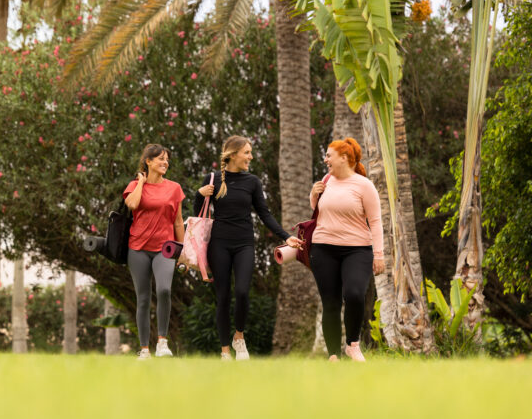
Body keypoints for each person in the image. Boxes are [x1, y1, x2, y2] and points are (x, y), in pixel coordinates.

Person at [195, 136, 302, 360]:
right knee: (223, 297)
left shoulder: (252, 181)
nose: (250, 157)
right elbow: (199, 215)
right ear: (232, 154)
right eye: (246, 152)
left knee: (242, 292)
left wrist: (286, 236)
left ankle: (239, 337)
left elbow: (264, 213)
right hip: (219, 244)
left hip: (244, 243)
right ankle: (225, 351)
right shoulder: (212, 178)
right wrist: (199, 195)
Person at [309, 137, 385, 362]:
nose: (326, 160)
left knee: (354, 294)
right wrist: (314, 195)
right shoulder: (326, 180)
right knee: (330, 302)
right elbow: (319, 212)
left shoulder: (364, 185)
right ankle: (333, 356)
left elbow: (376, 221)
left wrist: (378, 255)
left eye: (329, 155)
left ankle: (352, 344)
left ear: (344, 158)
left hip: (357, 250)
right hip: (323, 249)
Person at [123, 144, 185, 360]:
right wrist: (141, 181)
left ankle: (162, 342)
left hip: (165, 248)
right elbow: (132, 203)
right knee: (142, 298)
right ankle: (144, 350)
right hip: (138, 248)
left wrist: (182, 250)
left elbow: (178, 222)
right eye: (160, 159)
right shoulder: (134, 185)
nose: (165, 162)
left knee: (165, 290)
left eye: (166, 159)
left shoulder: (174, 188)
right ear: (148, 161)